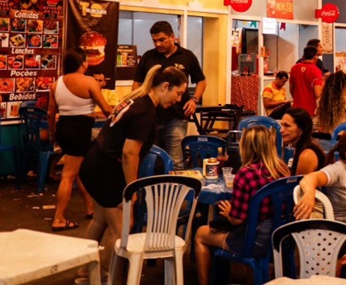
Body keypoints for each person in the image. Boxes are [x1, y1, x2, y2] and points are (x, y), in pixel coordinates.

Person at [78, 66, 187, 281]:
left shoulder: (137, 99)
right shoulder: (144, 112)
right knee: (121, 228)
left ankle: (84, 273)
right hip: (106, 170)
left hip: (94, 163)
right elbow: (129, 153)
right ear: (165, 86)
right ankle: (108, 278)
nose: (179, 99)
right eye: (179, 93)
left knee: (100, 220)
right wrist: (132, 189)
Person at [194, 126, 290, 285]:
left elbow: (237, 220)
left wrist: (228, 212)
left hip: (254, 241)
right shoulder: (283, 169)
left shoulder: (245, 174)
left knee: (201, 234)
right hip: (279, 237)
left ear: (246, 147)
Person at [47, 48, 113, 232]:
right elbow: (106, 109)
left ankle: (90, 207)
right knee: (68, 174)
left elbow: (50, 113)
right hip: (79, 131)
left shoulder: (56, 84)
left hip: (63, 130)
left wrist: (52, 135)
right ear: (83, 63)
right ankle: (59, 218)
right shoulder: (89, 82)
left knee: (77, 170)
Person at [132, 20, 206, 170]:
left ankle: (175, 185)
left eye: (162, 40)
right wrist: (138, 104)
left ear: (172, 37)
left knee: (175, 161)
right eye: (154, 41)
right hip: (151, 116)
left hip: (177, 116)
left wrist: (194, 100)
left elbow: (201, 81)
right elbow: (137, 83)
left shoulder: (187, 56)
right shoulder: (148, 56)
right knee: (150, 160)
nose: (158, 44)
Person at [280, 108, 326, 176]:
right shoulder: (300, 148)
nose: (281, 130)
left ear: (301, 130)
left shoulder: (306, 155)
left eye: (287, 126)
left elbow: (299, 182)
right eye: (281, 125)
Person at [290, 45, 324, 117]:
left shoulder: (294, 68)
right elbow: (317, 93)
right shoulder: (316, 71)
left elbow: (291, 89)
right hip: (310, 110)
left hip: (296, 108)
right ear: (315, 57)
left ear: (303, 56)